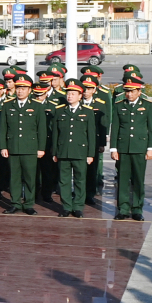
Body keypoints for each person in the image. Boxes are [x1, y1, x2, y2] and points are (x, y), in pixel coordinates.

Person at [109, 75, 152, 221]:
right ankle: (123, 209)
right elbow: (115, 128)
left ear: (139, 91)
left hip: (139, 148)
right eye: (127, 91)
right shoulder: (119, 105)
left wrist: (151, 148)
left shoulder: (147, 105)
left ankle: (137, 209)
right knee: (122, 180)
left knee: (138, 179)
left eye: (132, 91)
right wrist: (113, 149)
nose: (129, 94)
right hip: (123, 148)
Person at [0, 75, 47, 215]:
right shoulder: (8, 105)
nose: (20, 91)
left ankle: (28, 204)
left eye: (23, 88)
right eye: (18, 88)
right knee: (14, 177)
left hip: (30, 148)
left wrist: (41, 148)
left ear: (29, 90)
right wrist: (3, 146)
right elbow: (3, 128)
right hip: (13, 147)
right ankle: (15, 203)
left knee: (30, 177)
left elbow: (41, 129)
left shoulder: (37, 106)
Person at [50, 80, 95, 218]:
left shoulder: (87, 112)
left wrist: (90, 154)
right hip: (63, 151)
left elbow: (91, 135)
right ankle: (66, 206)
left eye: (73, 94)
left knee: (80, 180)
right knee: (64, 180)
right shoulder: (60, 111)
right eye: (68, 93)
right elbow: (56, 133)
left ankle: (78, 207)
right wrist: (55, 152)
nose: (70, 96)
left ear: (80, 96)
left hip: (80, 152)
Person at [81, 75, 109, 205]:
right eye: (84, 88)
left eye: (89, 88)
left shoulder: (99, 104)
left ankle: (90, 194)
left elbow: (103, 125)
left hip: (94, 141)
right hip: (79, 141)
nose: (86, 91)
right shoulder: (77, 102)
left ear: (94, 90)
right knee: (79, 169)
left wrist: (102, 143)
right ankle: (79, 193)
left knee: (92, 170)